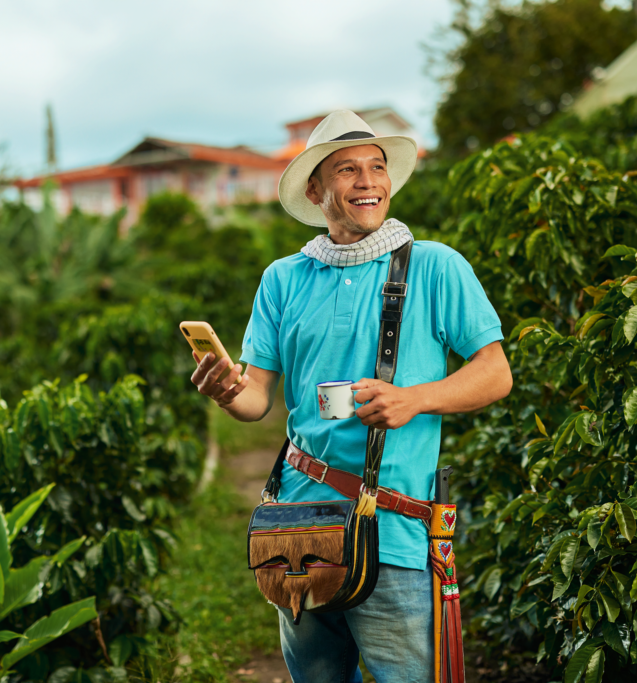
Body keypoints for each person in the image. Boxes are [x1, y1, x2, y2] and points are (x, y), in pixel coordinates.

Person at [190, 110, 513, 682]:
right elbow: (256, 398)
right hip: (297, 529)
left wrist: (414, 399)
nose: (367, 181)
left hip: (394, 532)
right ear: (316, 189)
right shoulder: (283, 279)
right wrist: (226, 390)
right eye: (347, 170)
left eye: (376, 167)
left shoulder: (436, 266)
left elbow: (495, 373)